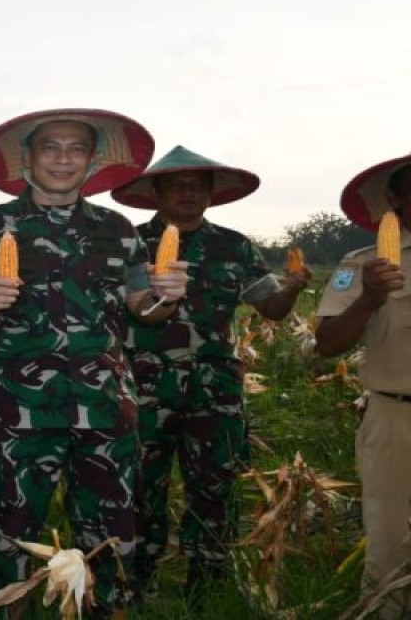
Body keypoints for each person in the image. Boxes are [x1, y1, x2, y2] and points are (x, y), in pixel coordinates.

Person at [0, 108, 188, 618]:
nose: (63, 158)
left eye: (76, 148)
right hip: (16, 412)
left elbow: (145, 308)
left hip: (104, 409)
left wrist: (169, 295)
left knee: (110, 538)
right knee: (12, 534)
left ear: (93, 161)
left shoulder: (118, 229)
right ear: (27, 158)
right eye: (50, 146)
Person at [110, 146, 312, 600]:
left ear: (211, 194)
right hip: (145, 388)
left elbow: (272, 309)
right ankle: (137, 582)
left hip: (215, 391)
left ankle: (210, 585)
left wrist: (294, 288)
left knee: (216, 487)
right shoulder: (128, 246)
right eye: (176, 185)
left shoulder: (234, 246)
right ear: (155, 192)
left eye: (197, 185)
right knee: (141, 487)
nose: (187, 193)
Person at [315, 152, 411, 618]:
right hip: (396, 418)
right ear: (395, 199)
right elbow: (327, 343)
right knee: (390, 546)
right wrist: (370, 300)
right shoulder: (361, 265)